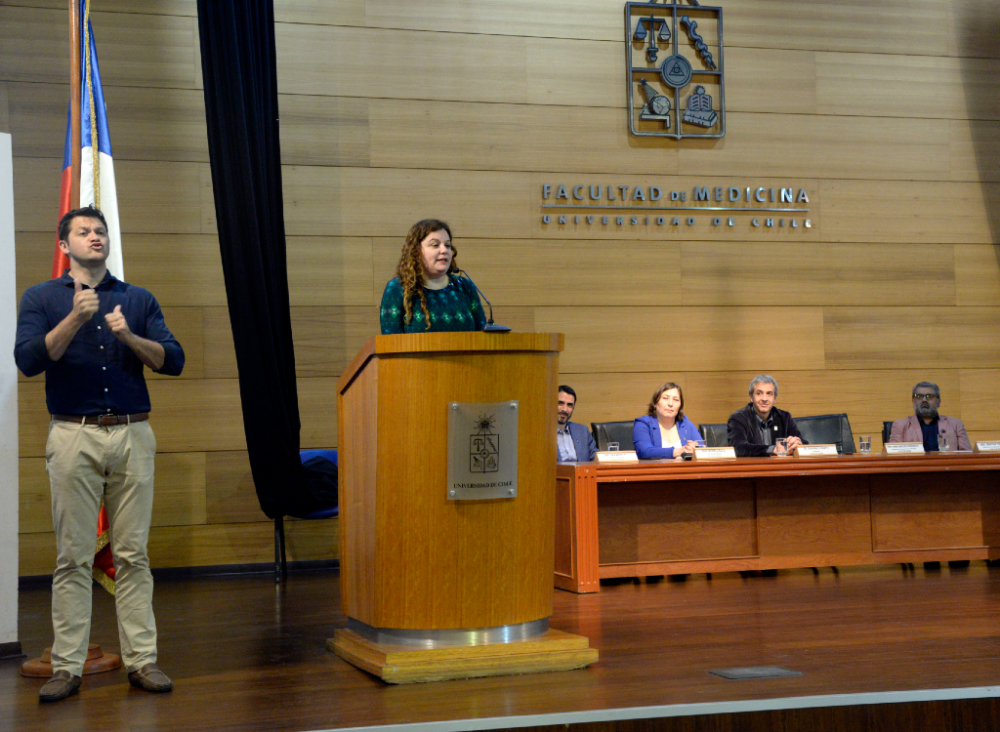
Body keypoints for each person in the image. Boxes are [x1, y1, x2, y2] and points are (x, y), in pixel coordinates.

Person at [14, 206, 185, 702]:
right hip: (73, 435)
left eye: (101, 232)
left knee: (133, 554)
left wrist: (128, 336)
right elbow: (27, 361)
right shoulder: (42, 298)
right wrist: (74, 318)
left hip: (133, 435)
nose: (96, 238)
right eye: (84, 232)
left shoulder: (136, 298)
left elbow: (173, 360)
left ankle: (142, 661)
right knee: (72, 556)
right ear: (64, 246)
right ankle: (67, 666)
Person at [380, 219, 487, 334]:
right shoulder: (398, 288)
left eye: (447, 245)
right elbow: (390, 342)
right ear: (416, 251)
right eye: (435, 245)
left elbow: (482, 336)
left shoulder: (464, 286)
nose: (444, 250)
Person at [727, 375, 806, 457]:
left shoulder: (785, 417)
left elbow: (804, 445)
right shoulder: (738, 418)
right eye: (759, 393)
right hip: (753, 468)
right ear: (751, 397)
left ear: (774, 398)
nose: (764, 399)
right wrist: (773, 449)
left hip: (781, 468)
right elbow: (737, 448)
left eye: (769, 394)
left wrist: (798, 444)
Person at [889, 382, 971, 452]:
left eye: (929, 396)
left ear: (939, 402)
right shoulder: (900, 425)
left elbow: (967, 454)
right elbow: (893, 455)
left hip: (946, 468)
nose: (924, 400)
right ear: (913, 401)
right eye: (919, 396)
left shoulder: (955, 424)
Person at [632, 382, 702, 459]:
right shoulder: (643, 423)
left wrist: (696, 448)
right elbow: (644, 451)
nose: (670, 404)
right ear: (655, 403)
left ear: (680, 406)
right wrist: (678, 451)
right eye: (665, 398)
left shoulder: (686, 424)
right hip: (655, 470)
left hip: (685, 470)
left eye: (676, 400)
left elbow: (704, 448)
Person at [557, 385, 596, 462]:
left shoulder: (582, 431)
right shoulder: (541, 435)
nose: (565, 409)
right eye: (560, 403)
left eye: (569, 405)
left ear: (573, 408)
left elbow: (596, 459)